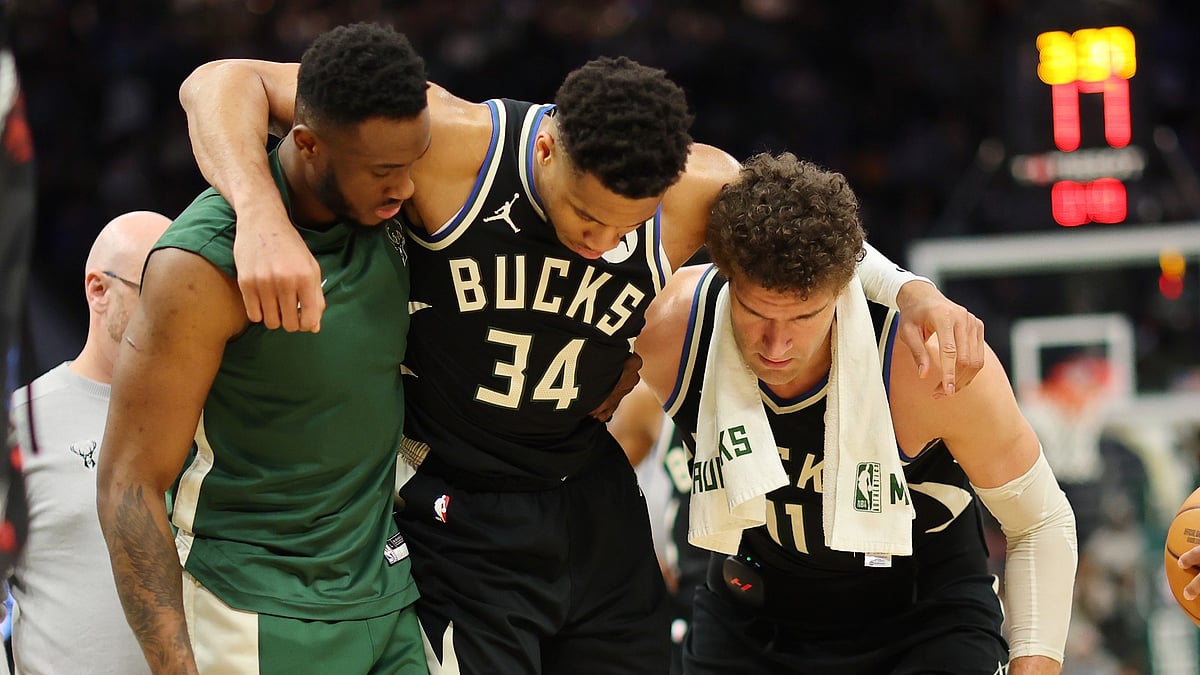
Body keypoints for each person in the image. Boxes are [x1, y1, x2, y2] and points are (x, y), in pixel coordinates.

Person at [176, 51, 988, 674]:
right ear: (552, 145)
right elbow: (222, 80)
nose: (600, 241)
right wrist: (257, 214)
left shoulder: (694, 189)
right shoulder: (453, 144)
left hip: (591, 499)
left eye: (622, 226)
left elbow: (811, 232)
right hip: (461, 502)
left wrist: (912, 292)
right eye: (584, 213)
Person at [634, 153, 1078, 675]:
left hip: (921, 617)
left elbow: (1041, 521)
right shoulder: (669, 328)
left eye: (804, 317)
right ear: (724, 277)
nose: (777, 343)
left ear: (845, 287)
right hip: (751, 612)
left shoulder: (927, 364)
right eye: (755, 313)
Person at [95, 23, 431, 675]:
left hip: (385, 595)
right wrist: (175, 667)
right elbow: (127, 484)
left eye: (414, 163)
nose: (408, 189)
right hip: (255, 612)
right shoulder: (201, 265)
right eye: (385, 171)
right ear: (307, 144)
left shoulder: (381, 204)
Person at [7, 211, 170, 675]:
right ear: (98, 290)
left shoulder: (208, 419)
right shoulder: (23, 425)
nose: (178, 314)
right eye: (158, 293)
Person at [608, 383, 709, 675]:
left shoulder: (786, 375)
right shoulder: (655, 394)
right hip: (693, 593)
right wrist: (637, 551)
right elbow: (592, 485)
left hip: (776, 593)